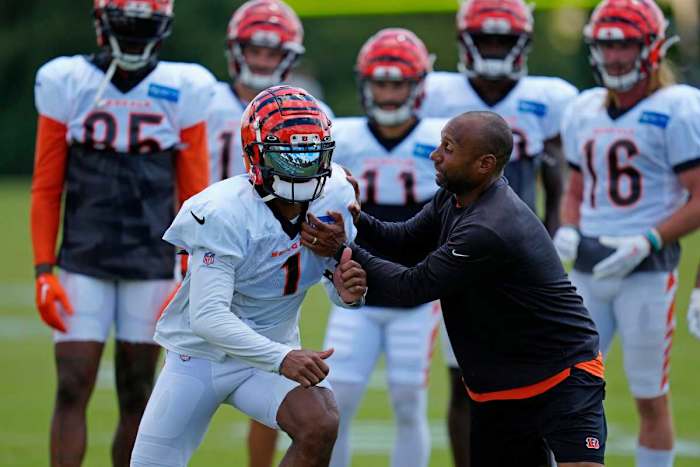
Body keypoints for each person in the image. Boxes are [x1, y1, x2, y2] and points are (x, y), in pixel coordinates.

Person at [308, 111, 606, 467]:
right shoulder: (454, 197)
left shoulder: (489, 226)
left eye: (447, 148)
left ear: (484, 164)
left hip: (561, 377)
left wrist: (342, 247)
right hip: (499, 386)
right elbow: (404, 242)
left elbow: (412, 286)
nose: (435, 155)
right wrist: (356, 218)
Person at [130, 85, 366, 467]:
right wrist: (282, 356)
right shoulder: (223, 210)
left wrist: (347, 292)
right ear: (256, 156)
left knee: (320, 421)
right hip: (201, 357)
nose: (301, 166)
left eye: (310, 154)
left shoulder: (337, 193)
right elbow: (207, 317)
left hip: (269, 356)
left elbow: (339, 289)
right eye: (288, 156)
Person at [30, 1, 214, 465]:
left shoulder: (183, 87)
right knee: (72, 385)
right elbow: (47, 185)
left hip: (152, 263)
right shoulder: (67, 82)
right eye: (125, 28)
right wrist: (43, 268)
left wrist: (192, 266)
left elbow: (195, 193)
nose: (133, 39)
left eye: (143, 28)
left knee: (138, 392)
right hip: (82, 259)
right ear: (102, 26)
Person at [417, 3, 578, 461]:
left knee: (540, 380)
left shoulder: (550, 99)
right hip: (463, 253)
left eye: (503, 41)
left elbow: (557, 179)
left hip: (520, 261)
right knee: (464, 380)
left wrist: (552, 236)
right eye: (485, 40)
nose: (493, 49)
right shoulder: (435, 93)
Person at [553, 1, 700, 466]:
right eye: (607, 46)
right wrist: (570, 226)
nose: (614, 58)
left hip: (648, 273)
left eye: (626, 46)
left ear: (653, 48)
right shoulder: (582, 108)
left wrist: (649, 239)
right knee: (564, 386)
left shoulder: (678, 108)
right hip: (587, 271)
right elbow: (576, 187)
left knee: (648, 396)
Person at [321, 29, 444, 467]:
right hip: (356, 290)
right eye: (380, 82)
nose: (388, 94)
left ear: (418, 86)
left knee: (409, 401)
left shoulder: (440, 138)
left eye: (398, 83)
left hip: (416, 294)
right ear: (364, 83)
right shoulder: (343, 136)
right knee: (337, 400)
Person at [207, 0, 333, 184]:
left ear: (288, 58)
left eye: (272, 54)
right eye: (255, 51)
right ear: (237, 51)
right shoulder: (206, 101)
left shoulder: (313, 112)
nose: (262, 62)